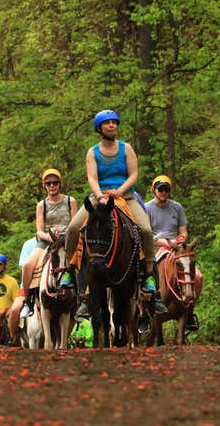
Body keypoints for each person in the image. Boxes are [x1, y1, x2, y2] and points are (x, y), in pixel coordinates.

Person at [64, 109, 166, 314]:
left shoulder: (126, 148)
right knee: (73, 227)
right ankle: (68, 270)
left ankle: (148, 276)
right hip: (99, 197)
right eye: (107, 123)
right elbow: (92, 178)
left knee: (145, 230)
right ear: (99, 128)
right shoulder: (92, 152)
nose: (111, 125)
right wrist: (100, 196)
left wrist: (120, 191)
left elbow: (134, 173)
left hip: (125, 196)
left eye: (114, 122)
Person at [20, 168, 78, 318]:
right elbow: (39, 230)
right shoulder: (42, 205)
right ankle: (28, 301)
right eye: (48, 183)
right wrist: (48, 236)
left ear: (60, 184)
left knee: (83, 263)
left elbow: (76, 224)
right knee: (27, 266)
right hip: (47, 242)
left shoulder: (70, 201)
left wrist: (65, 236)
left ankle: (83, 300)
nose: (52, 186)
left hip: (67, 242)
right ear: (44, 186)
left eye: (55, 183)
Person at [145, 174, 199, 331]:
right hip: (155, 246)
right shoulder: (147, 208)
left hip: (177, 246)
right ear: (154, 190)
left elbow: (183, 230)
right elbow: (146, 233)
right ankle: (144, 314)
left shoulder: (177, 207)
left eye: (166, 189)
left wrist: (181, 240)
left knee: (198, 276)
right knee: (145, 276)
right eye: (160, 189)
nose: (163, 192)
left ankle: (189, 312)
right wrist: (162, 242)